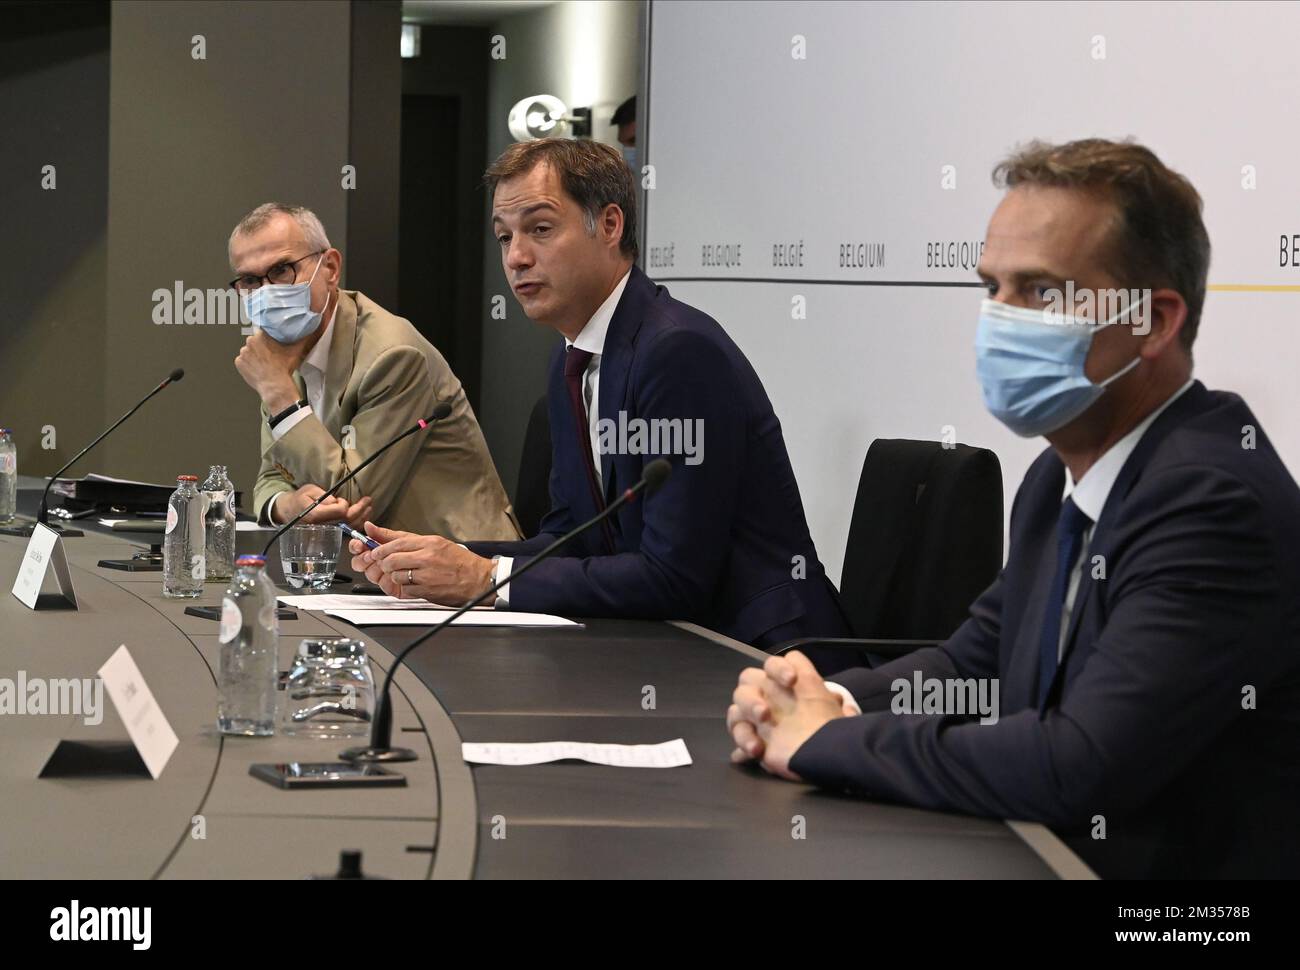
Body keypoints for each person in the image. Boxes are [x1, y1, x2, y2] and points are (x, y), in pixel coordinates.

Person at [726, 138, 1300, 878]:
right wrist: (823, 696)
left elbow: (1078, 763)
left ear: (1155, 321)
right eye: (991, 287)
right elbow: (978, 663)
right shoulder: (1052, 478)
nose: (999, 318)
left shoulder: (1214, 501)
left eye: (1039, 292)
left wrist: (820, 740)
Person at [348, 138, 849, 650]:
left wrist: (484, 577)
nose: (516, 258)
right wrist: (436, 559)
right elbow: (573, 539)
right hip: (670, 644)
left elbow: (674, 577)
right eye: (504, 237)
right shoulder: (575, 356)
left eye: (540, 229)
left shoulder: (677, 353)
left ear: (610, 226)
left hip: (760, 652)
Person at [230, 203, 519, 540]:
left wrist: (279, 394)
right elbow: (272, 477)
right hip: (372, 568)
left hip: (464, 564)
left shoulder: (392, 355)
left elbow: (349, 497)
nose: (267, 291)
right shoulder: (281, 352)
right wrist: (286, 504)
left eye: (282, 270)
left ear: (331, 268)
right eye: (250, 280)